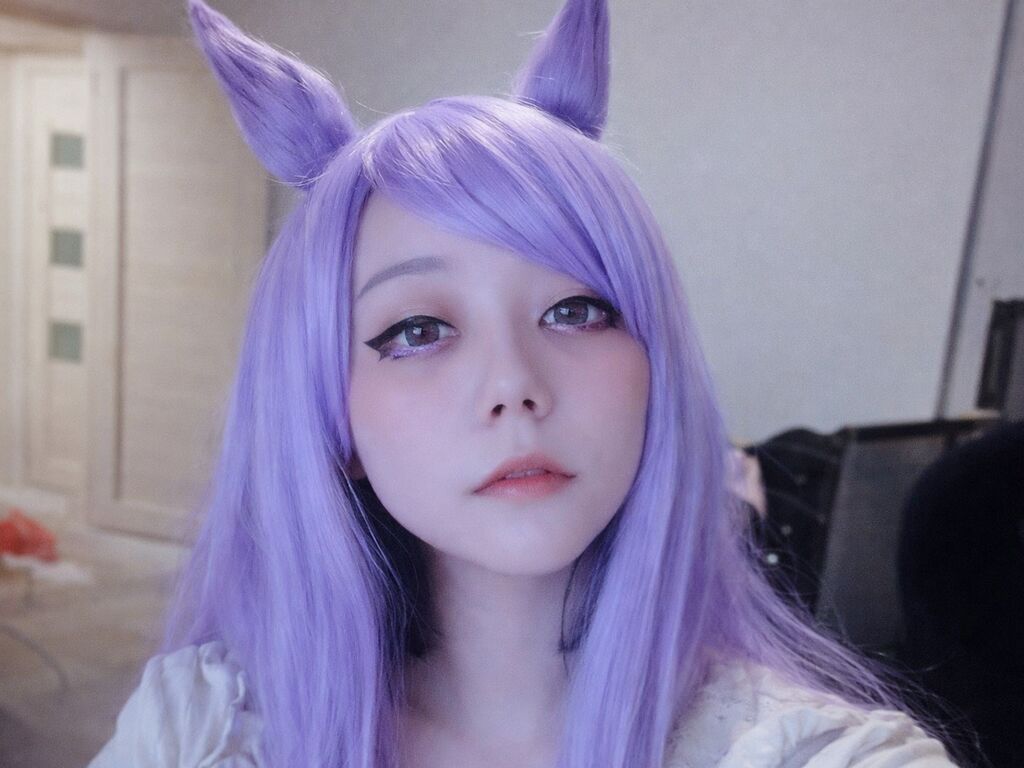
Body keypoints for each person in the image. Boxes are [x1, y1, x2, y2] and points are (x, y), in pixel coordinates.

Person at [88, 1, 962, 766]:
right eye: (418, 331)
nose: (514, 385)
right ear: (332, 421)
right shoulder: (203, 734)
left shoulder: (812, 753)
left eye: (576, 311)